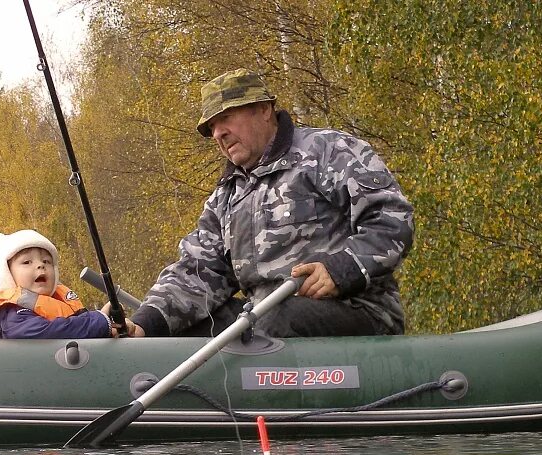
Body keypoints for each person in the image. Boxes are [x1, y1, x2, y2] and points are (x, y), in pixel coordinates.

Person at [127, 68, 414, 339]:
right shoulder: (225, 198)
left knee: (272, 320)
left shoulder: (328, 151)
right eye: (212, 127)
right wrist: (144, 323)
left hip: (355, 310)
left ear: (264, 109)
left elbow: (391, 218)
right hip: (263, 319)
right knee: (197, 327)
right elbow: (198, 271)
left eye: (226, 117)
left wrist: (341, 270)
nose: (218, 133)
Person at [0, 229, 115, 339]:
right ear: (6, 274)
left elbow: (76, 326)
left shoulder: (60, 306)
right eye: (27, 262)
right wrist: (100, 322)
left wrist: (110, 324)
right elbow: (46, 332)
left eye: (47, 261)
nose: (40, 266)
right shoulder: (13, 316)